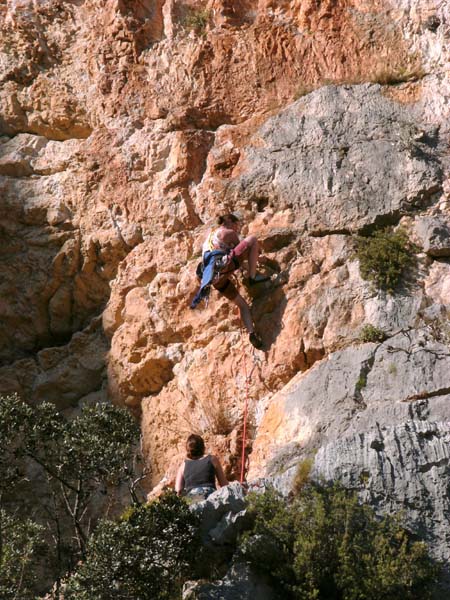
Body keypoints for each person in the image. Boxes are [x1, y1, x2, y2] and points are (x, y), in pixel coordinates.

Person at [192, 213, 269, 349]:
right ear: (229, 222)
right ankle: (252, 278)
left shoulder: (209, 238)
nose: (237, 229)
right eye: (236, 225)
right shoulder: (228, 232)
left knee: (243, 305)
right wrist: (259, 258)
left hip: (215, 280)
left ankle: (251, 333)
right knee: (252, 240)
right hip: (225, 267)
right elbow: (243, 250)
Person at [175, 434, 228, 501]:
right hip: (210, 498)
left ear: (188, 449)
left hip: (191, 500)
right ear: (203, 447)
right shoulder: (212, 459)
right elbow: (224, 484)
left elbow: (178, 490)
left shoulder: (183, 465)